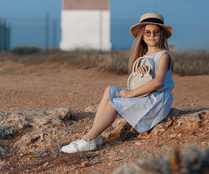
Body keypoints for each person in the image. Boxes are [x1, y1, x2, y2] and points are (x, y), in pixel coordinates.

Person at [61, 12, 175, 153]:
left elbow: (157, 82)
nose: (152, 35)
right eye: (148, 32)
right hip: (147, 94)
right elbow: (147, 79)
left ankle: (88, 139)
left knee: (114, 103)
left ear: (161, 34)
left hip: (157, 99)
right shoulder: (144, 56)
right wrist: (141, 71)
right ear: (143, 36)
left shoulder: (163, 55)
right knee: (110, 90)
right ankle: (95, 136)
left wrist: (131, 93)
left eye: (156, 32)